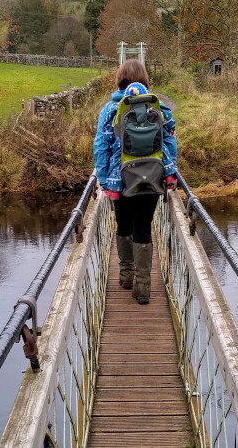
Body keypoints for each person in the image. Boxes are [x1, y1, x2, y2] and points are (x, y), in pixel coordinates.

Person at [93, 60, 177, 305]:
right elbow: (170, 142)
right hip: (152, 177)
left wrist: (102, 177)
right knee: (143, 226)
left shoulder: (110, 109)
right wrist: (170, 173)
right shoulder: (158, 106)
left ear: (120, 79)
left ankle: (126, 275)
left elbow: (101, 145)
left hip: (120, 179)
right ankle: (143, 288)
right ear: (144, 79)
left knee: (123, 224)